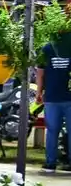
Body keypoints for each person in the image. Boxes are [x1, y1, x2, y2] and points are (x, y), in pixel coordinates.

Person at [36, 41, 71, 172]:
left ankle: (51, 163)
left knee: (52, 131)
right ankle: (52, 162)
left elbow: (40, 73)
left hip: (54, 96)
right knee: (53, 131)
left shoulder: (47, 47)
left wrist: (39, 92)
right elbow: (40, 72)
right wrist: (39, 92)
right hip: (55, 97)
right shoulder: (47, 48)